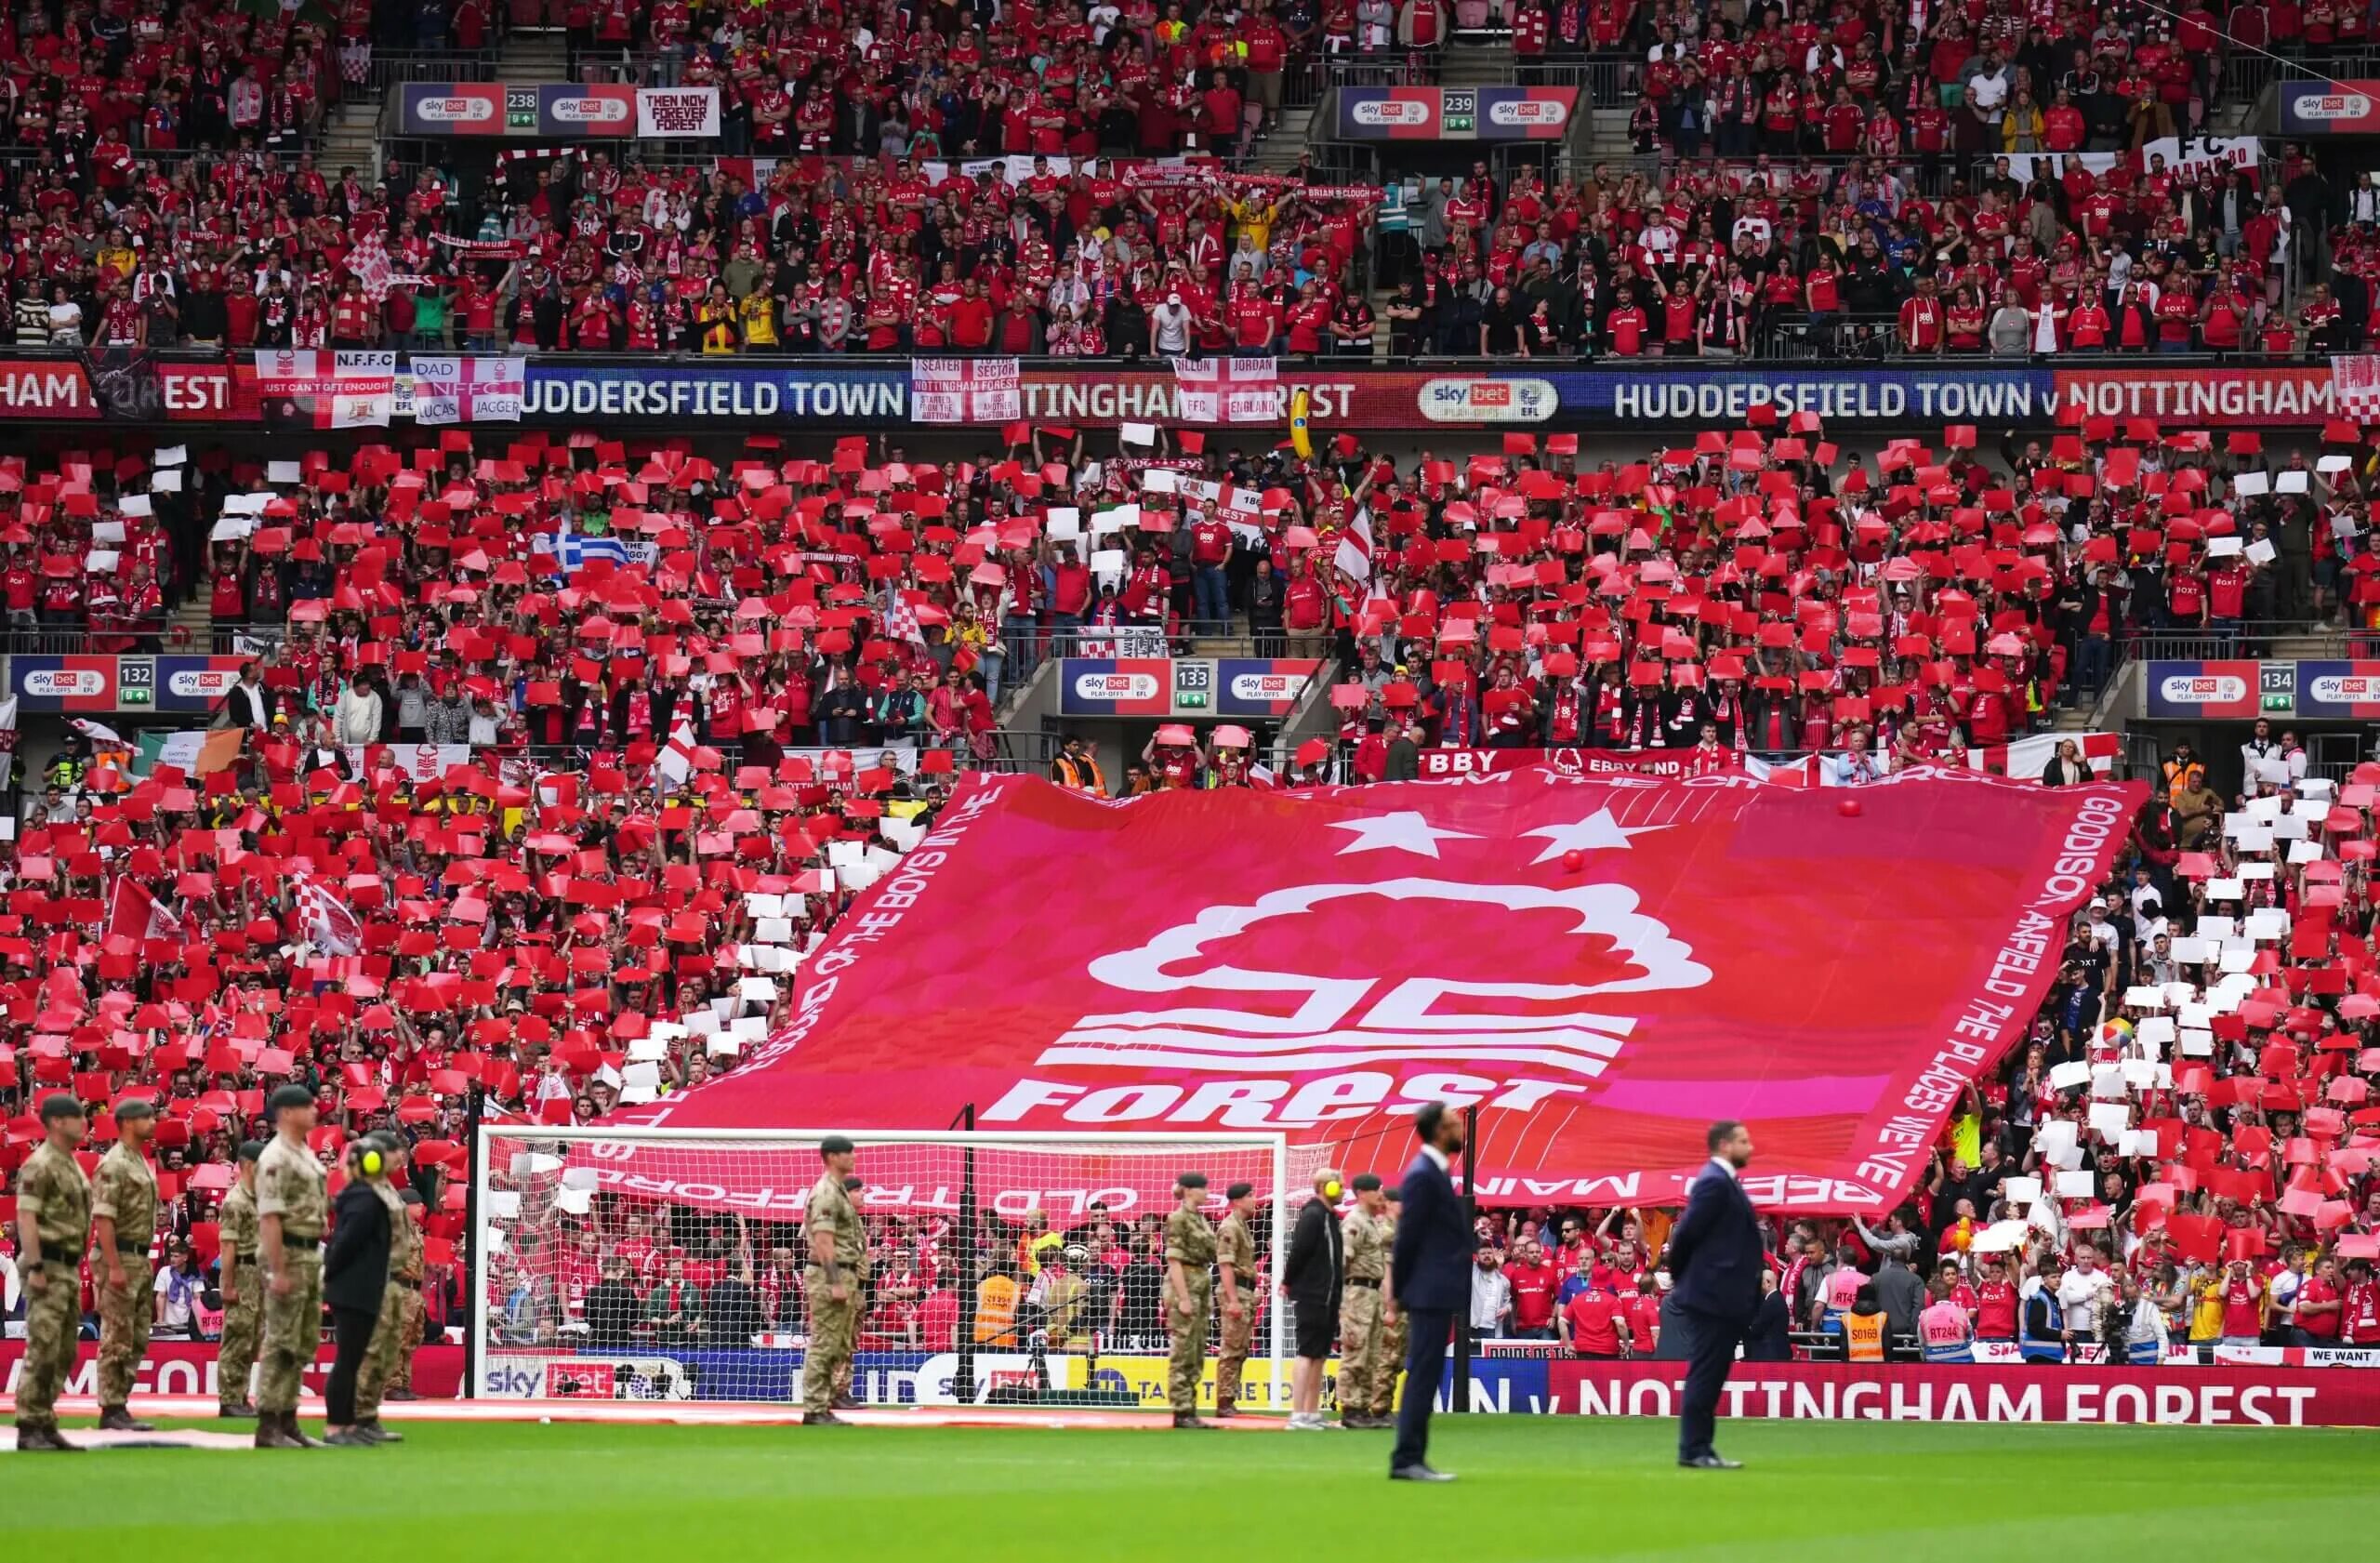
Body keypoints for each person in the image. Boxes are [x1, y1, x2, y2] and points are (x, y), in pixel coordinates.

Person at [1666, 1119, 1762, 1470]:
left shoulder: (1722, 1183)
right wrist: (1684, 1278)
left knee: (1712, 1373)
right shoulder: (1714, 1183)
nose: (1750, 1147)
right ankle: (1693, 1449)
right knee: (1706, 1373)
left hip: (1721, 1296)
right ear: (1724, 1145)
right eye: (1743, 1141)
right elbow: (1686, 1234)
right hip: (1711, 1296)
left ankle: (1701, 1446)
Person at [1389, 1102, 1476, 1482]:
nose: (1461, 1129)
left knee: (1427, 1372)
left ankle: (1411, 1456)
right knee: (1423, 1372)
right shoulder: (1423, 1175)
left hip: (1433, 1289)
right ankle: (1407, 1458)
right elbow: (1408, 1238)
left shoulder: (1434, 1172)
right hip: (1427, 1290)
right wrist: (1400, 1289)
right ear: (1440, 1132)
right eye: (1455, 1124)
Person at [255, 1082, 330, 1449]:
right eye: (308, 1106)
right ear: (287, 1113)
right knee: (281, 1341)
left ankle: (288, 1419)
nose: (315, 1111)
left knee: (301, 1341)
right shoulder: (276, 1157)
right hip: (289, 1252)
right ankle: (269, 1424)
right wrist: (277, 1269)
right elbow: (270, 1217)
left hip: (309, 1252)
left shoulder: (304, 1153)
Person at [13, 1094, 89, 1450]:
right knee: (43, 1344)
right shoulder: (40, 1164)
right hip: (48, 1263)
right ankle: (30, 1423)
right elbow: (26, 1217)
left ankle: (44, 1418)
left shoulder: (69, 1163)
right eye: (77, 1117)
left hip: (68, 1265)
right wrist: (37, 1265)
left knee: (65, 1348)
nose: (84, 1123)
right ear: (58, 1121)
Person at [91, 1096, 161, 1432]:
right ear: (129, 1122)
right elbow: (104, 1219)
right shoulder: (115, 1163)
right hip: (119, 1255)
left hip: (138, 1257)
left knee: (136, 1335)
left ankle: (120, 1402)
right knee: (117, 1334)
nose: (153, 1122)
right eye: (147, 1117)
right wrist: (114, 1265)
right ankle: (111, 1406)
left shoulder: (138, 1161)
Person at [322, 1136, 394, 1446]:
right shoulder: (364, 1198)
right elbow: (345, 1245)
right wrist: (331, 1277)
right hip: (354, 1290)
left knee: (350, 1360)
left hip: (355, 1288)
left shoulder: (359, 1196)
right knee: (348, 1361)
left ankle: (347, 1425)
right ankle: (337, 1426)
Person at [351, 1134, 417, 1443]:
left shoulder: (386, 1193)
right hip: (379, 1282)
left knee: (392, 1345)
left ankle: (369, 1416)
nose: (399, 1159)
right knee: (375, 1349)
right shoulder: (370, 1194)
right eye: (395, 1154)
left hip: (394, 1284)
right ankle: (356, 1417)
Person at [803, 1135, 865, 1425]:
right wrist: (835, 1281)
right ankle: (815, 1408)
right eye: (846, 1153)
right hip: (832, 1272)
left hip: (845, 1271)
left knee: (839, 1344)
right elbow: (823, 1240)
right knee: (825, 1342)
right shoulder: (827, 1192)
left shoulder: (837, 1189)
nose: (852, 1157)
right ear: (831, 1157)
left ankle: (824, 1404)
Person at [1278, 1164, 1344, 1431]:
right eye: (1337, 1185)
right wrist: (1288, 1282)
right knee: (1307, 1351)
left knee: (1319, 1354)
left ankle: (1311, 1412)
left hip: (1328, 1295)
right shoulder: (1313, 1216)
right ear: (1325, 1187)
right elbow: (1299, 1251)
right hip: (1312, 1294)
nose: (1341, 1190)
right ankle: (1297, 1415)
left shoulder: (1330, 1217)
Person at [215, 1141, 266, 1418]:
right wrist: (228, 1284)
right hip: (242, 1271)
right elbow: (228, 1248)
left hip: (257, 1273)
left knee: (252, 1337)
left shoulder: (257, 1198)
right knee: (236, 1336)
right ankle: (229, 1397)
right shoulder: (236, 1201)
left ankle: (241, 1394)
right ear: (248, 1165)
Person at [1336, 1172, 1392, 1428]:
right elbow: (1342, 1259)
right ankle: (1350, 1408)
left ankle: (1363, 1407)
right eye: (1376, 1190)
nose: (1381, 1195)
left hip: (1372, 1293)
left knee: (1371, 1352)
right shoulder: (1355, 1221)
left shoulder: (1369, 1221)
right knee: (1355, 1350)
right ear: (1361, 1193)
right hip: (1357, 1292)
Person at [1163, 1171, 1218, 1428]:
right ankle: (1181, 1409)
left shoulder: (1200, 1219)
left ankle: (1191, 1407)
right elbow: (1174, 1259)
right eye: (1202, 1188)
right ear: (1189, 1190)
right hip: (1183, 1284)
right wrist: (1183, 1298)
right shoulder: (1178, 1218)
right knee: (1183, 1349)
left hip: (1200, 1285)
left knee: (1196, 1348)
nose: (1206, 1192)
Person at [1212, 1181, 1260, 1417]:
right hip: (1236, 1291)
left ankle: (1230, 1398)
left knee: (1241, 1347)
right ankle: (1224, 1401)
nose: (1255, 1200)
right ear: (1239, 1200)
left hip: (1245, 1290)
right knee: (1231, 1346)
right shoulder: (1230, 1227)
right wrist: (1233, 1300)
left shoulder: (1243, 1226)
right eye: (1251, 1195)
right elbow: (1225, 1265)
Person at [1368, 1185, 1407, 1427]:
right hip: (1390, 1300)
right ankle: (1379, 1408)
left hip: (1401, 1300)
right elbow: (1387, 1272)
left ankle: (1384, 1405)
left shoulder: (1397, 1231)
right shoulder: (1386, 1232)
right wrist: (1390, 1305)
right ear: (1391, 1203)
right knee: (1388, 1355)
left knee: (1396, 1356)